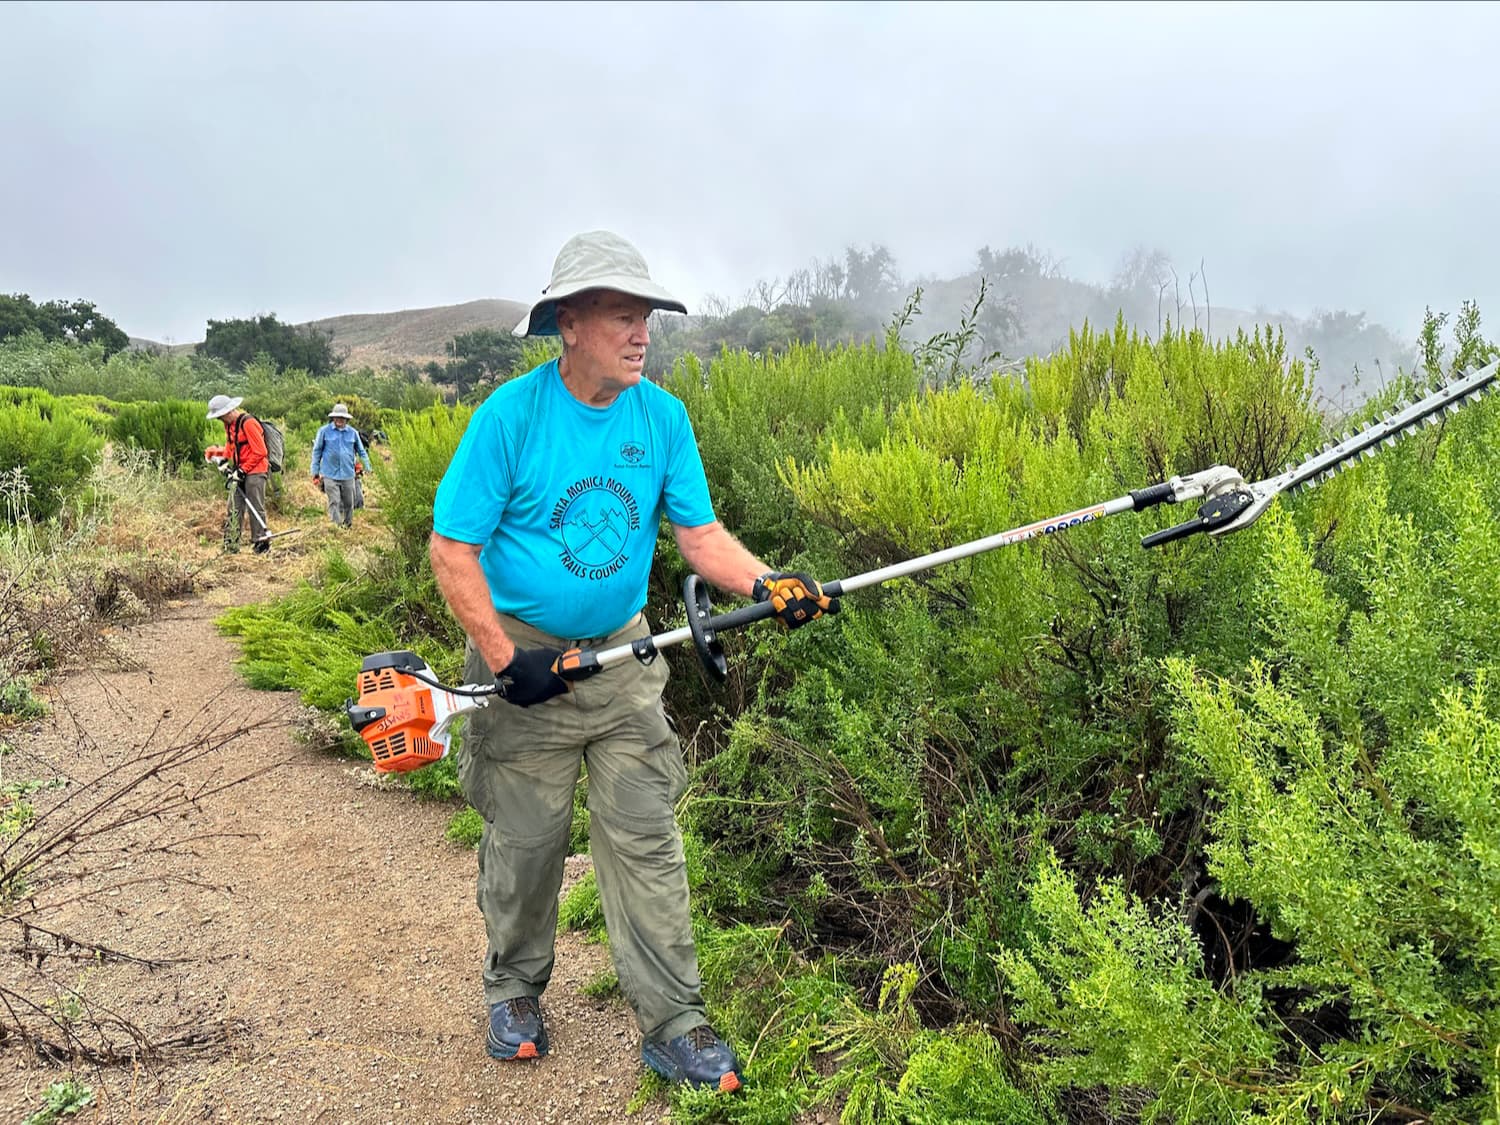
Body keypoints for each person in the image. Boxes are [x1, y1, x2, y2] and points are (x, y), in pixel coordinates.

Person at [428, 230, 839, 1093]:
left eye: (644, 313)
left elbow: (698, 536)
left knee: (646, 839)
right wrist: (508, 663)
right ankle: (513, 989)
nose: (639, 330)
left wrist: (771, 581)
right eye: (620, 313)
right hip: (525, 673)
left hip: (622, 660)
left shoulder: (662, 417)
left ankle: (674, 1022)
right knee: (527, 843)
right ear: (568, 323)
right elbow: (452, 550)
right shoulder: (510, 418)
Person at [206, 394, 272, 554]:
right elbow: (231, 446)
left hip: (256, 470)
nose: (219, 420)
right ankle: (231, 544)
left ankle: (261, 543)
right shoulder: (229, 425)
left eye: (220, 416)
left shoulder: (249, 423)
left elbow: (260, 452)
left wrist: (243, 471)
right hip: (240, 469)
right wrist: (221, 458)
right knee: (234, 506)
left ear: (228, 412)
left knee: (255, 506)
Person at [310, 402, 369, 528]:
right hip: (329, 473)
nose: (339, 420)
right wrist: (315, 470)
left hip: (348, 474)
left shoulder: (353, 433)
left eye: (342, 418)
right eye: (337, 417)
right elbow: (317, 451)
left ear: (346, 419)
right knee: (334, 501)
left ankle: (348, 525)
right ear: (333, 418)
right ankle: (336, 528)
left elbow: (361, 451)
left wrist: (367, 466)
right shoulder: (324, 431)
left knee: (349, 502)